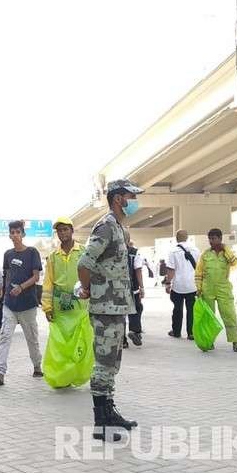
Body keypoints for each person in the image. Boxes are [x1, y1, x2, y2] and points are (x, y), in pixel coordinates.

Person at [77, 180, 143, 441]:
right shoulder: (106, 226)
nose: (133, 201)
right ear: (118, 199)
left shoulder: (118, 227)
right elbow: (84, 262)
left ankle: (110, 411)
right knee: (103, 364)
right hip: (105, 307)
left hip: (116, 306)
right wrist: (87, 289)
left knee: (113, 363)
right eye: (130, 196)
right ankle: (100, 423)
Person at [0, 220, 43, 385]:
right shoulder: (8, 254)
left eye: (18, 232)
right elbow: (7, 275)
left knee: (31, 338)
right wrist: (3, 294)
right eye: (12, 232)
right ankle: (0, 372)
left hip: (28, 304)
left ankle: (37, 366)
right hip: (10, 304)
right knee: (5, 336)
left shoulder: (32, 252)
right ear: (9, 235)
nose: (15, 235)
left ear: (23, 234)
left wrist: (21, 287)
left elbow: (36, 276)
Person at [195, 228, 237, 352]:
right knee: (208, 317)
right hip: (207, 289)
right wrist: (199, 288)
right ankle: (209, 341)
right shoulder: (205, 254)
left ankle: (235, 342)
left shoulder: (227, 253)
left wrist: (226, 249)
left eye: (214, 238)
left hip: (223, 288)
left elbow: (235, 264)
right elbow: (199, 272)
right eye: (210, 239)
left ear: (220, 238)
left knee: (229, 314)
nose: (211, 241)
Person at [42, 217, 84, 324]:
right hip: (59, 305)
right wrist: (47, 307)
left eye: (65, 229)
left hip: (81, 304)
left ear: (72, 231)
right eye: (59, 230)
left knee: (80, 337)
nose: (62, 233)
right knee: (60, 338)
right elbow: (48, 283)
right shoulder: (53, 257)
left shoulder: (84, 252)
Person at [164, 229, 200, 340]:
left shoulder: (173, 251)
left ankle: (176, 331)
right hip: (192, 285)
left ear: (176, 238)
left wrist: (168, 283)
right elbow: (199, 268)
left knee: (177, 309)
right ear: (187, 237)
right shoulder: (196, 250)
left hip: (178, 285)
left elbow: (171, 270)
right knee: (191, 310)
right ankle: (191, 333)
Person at [125, 241, 145, 347]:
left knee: (120, 315)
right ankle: (134, 330)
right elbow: (138, 270)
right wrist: (141, 287)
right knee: (136, 309)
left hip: (116, 289)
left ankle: (122, 341)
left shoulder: (112, 251)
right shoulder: (134, 252)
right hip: (132, 288)